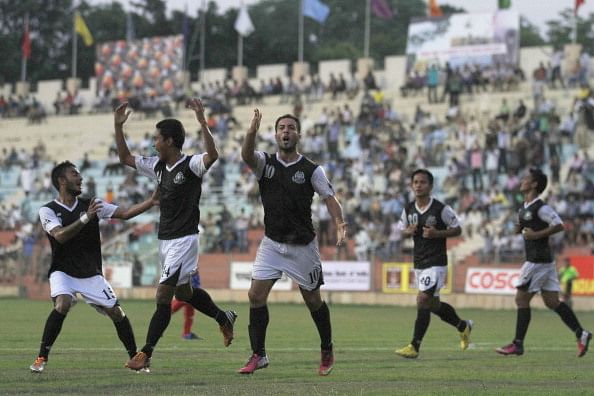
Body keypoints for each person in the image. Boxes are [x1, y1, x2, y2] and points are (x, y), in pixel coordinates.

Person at [113, 98, 237, 372]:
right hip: (164, 239)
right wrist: (118, 126)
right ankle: (223, 317)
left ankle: (145, 353)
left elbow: (213, 156)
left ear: (169, 141)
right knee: (185, 292)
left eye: (157, 139)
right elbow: (124, 157)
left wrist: (202, 121)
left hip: (184, 239)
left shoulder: (190, 165)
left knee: (163, 296)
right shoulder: (156, 166)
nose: (153, 143)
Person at [238, 110, 348, 376]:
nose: (286, 131)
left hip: (302, 246)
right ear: (276, 134)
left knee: (313, 301)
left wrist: (340, 223)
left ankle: (326, 349)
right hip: (272, 243)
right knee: (255, 296)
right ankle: (259, 355)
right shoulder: (265, 163)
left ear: (298, 134)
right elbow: (246, 155)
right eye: (281, 128)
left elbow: (330, 199)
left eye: (290, 127)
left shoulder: (311, 169)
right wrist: (252, 129)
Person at [30, 161, 158, 373]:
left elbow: (124, 213)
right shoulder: (48, 210)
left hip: (90, 272)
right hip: (62, 270)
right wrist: (86, 217)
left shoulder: (93, 204)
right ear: (61, 181)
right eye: (75, 174)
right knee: (62, 304)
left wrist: (151, 202)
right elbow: (60, 236)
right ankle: (41, 357)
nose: (80, 178)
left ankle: (136, 358)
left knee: (117, 313)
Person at [496, 168, 591, 357]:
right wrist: (519, 228)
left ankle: (518, 344)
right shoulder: (524, 207)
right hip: (544, 262)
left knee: (521, 299)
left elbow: (559, 225)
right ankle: (582, 333)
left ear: (534, 185)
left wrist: (536, 234)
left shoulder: (541, 207)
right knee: (552, 301)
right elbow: (527, 226)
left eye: (526, 179)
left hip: (537, 261)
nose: (522, 181)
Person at [395, 169, 472, 359]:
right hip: (419, 262)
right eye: (415, 182)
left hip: (436, 262)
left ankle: (414, 346)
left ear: (430, 186)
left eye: (422, 182)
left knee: (422, 300)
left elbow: (457, 229)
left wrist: (437, 233)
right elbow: (400, 230)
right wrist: (407, 231)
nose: (418, 185)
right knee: (433, 305)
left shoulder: (441, 209)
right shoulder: (408, 209)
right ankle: (463, 326)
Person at [171, 273, 203, 340]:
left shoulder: (195, 273)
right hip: (185, 294)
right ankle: (157, 328)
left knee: (190, 315)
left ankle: (186, 334)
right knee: (168, 310)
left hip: (193, 295)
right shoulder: (187, 271)